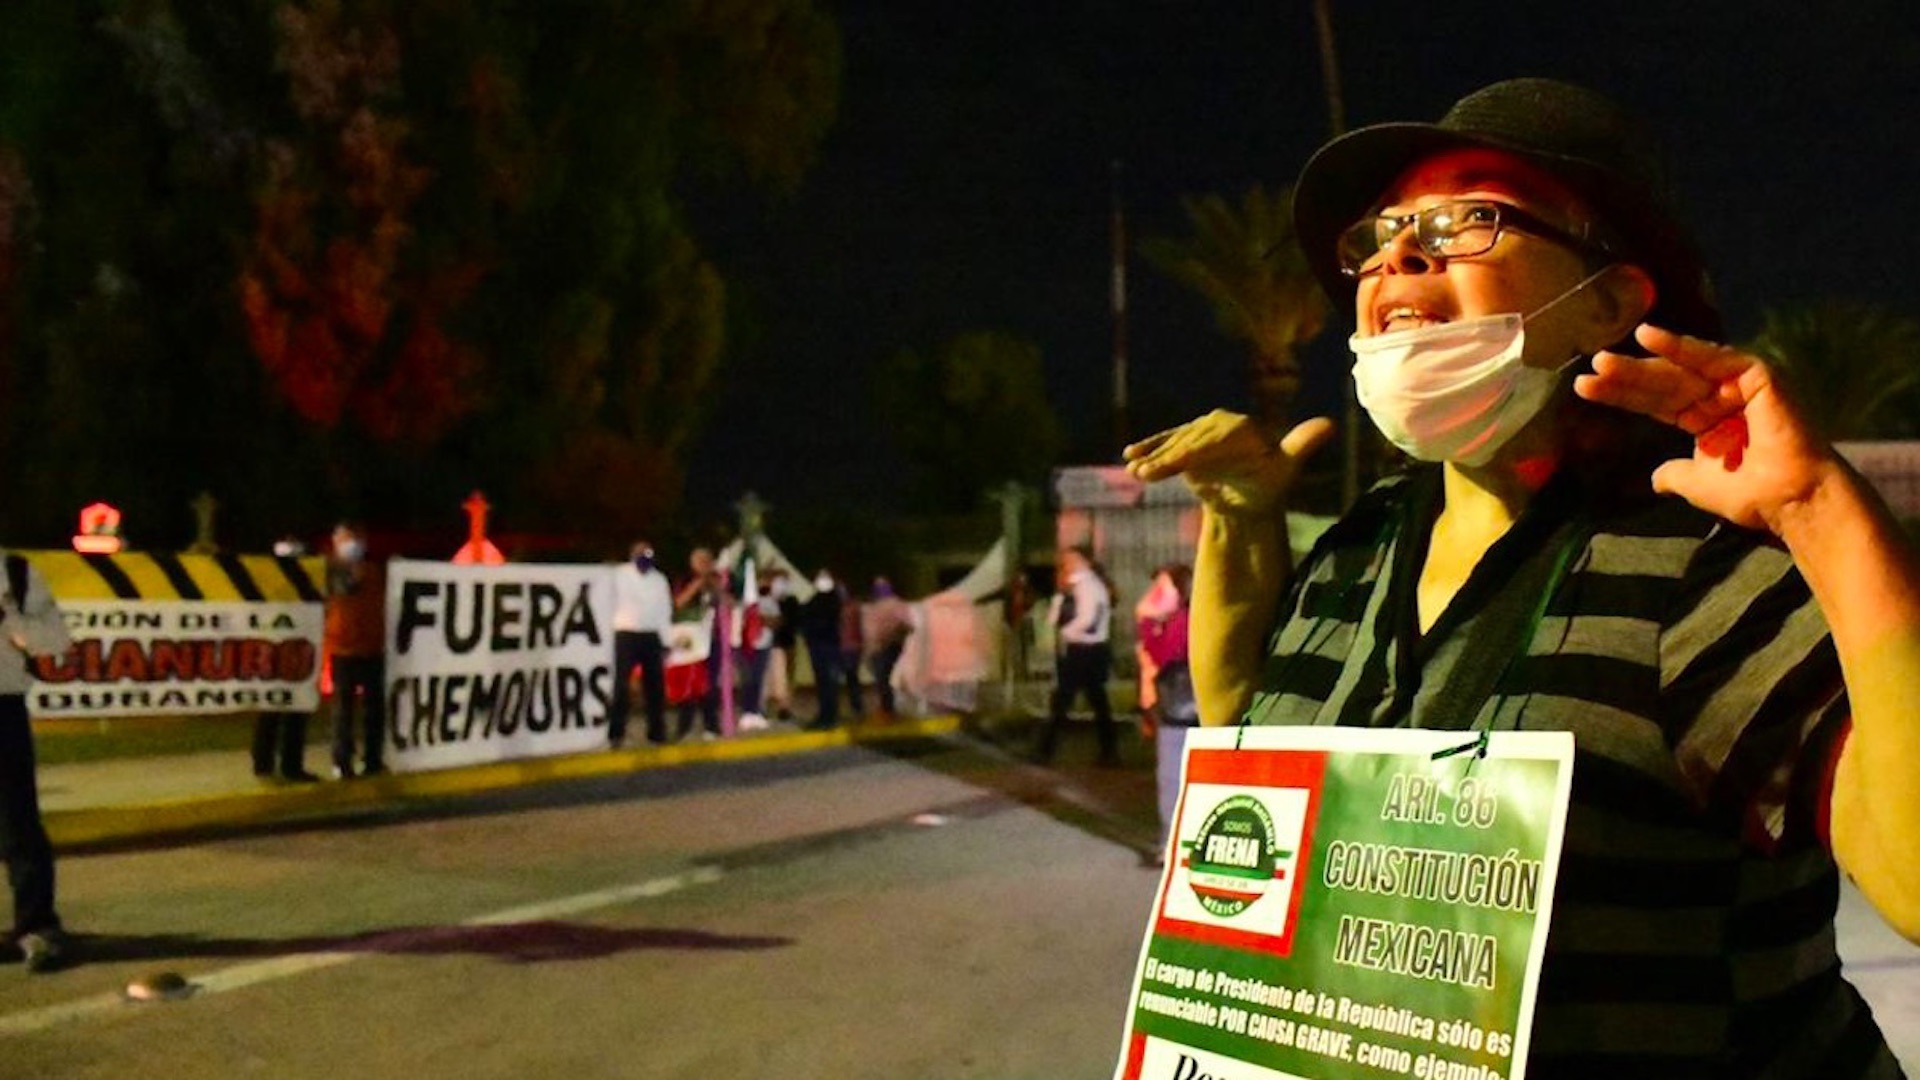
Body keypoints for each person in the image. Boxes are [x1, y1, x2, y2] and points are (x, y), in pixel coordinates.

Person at [1125, 77, 1918, 1076]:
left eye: (1470, 220)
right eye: (1381, 234)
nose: (1399, 255)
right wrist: (1238, 524)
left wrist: (1821, 511)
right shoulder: (1361, 545)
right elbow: (1262, 746)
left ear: (1611, 298)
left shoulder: (1695, 566)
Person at [0, 549, 74, 972]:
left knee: (17, 823)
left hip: (3, 707)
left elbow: (55, 640)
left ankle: (37, 927)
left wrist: (8, 618)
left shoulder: (18, 573)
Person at [1033, 546, 1116, 766]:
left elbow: (1087, 619)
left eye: (1072, 559)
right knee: (1096, 701)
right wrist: (1061, 595)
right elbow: (1052, 618)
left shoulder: (1088, 585)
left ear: (1085, 562)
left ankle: (1045, 750)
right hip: (1085, 650)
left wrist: (1065, 632)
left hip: (1085, 650)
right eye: (1065, 560)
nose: (1066, 563)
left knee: (1064, 700)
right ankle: (1109, 752)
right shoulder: (1076, 586)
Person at [1135, 563, 1194, 865]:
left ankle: (1172, 844)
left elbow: (1160, 654)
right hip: (1184, 710)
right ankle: (1176, 842)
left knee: (1172, 778)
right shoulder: (1182, 619)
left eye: (1162, 588)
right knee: (1177, 778)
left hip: (1181, 712)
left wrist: (1145, 618)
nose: (1155, 595)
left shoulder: (1182, 622)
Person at [252, 535, 320, 783]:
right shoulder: (268, 582)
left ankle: (288, 766)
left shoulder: (310, 580)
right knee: (272, 708)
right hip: (274, 651)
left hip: (300, 650)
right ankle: (266, 764)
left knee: (295, 708)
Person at [324, 522, 387, 779]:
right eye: (345, 540)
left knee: (374, 709)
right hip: (344, 648)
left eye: (356, 539)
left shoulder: (374, 570)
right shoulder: (331, 570)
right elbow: (344, 589)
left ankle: (373, 759)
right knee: (344, 709)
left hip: (372, 646)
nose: (352, 545)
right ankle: (342, 761)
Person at [609, 540, 673, 746]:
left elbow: (665, 611)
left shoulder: (659, 579)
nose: (644, 559)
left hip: (651, 636)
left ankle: (656, 733)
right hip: (626, 634)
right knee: (621, 685)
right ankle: (616, 733)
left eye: (648, 556)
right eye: (640, 555)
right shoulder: (619, 575)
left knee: (655, 687)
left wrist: (666, 641)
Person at [673, 546, 726, 741]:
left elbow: (727, 602)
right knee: (688, 684)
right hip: (690, 640)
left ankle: (711, 725)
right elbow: (678, 603)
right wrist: (697, 582)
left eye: (707, 560)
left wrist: (714, 584)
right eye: (700, 560)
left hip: (712, 639)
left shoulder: (716, 581)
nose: (704, 564)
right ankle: (683, 727)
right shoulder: (685, 579)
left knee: (710, 684)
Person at [799, 568, 846, 729]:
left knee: (829, 683)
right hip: (818, 647)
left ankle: (829, 717)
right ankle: (825, 715)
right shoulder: (815, 600)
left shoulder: (835, 600)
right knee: (823, 683)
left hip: (830, 647)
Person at [859, 576, 911, 719]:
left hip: (887, 647)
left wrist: (890, 637)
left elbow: (907, 624)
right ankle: (887, 708)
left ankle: (888, 709)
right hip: (877, 648)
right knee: (882, 678)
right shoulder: (875, 606)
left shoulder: (895, 605)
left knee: (883, 678)